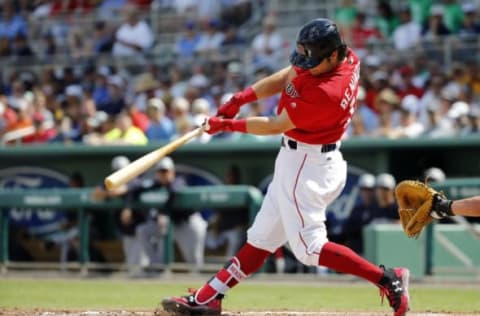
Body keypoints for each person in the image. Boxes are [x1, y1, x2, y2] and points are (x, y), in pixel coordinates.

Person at [161, 18, 410, 316]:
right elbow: (290, 74)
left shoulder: (326, 93)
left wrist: (226, 124)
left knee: (309, 248)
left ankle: (388, 278)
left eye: (313, 60)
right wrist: (241, 98)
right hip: (306, 159)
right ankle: (208, 297)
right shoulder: (345, 56)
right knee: (262, 238)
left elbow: (276, 125)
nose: (305, 65)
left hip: (307, 165)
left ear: (332, 55)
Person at [136, 157, 208, 271]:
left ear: (172, 172)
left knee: (193, 259)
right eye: (160, 171)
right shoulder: (156, 184)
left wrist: (163, 213)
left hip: (188, 222)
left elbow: (174, 191)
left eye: (165, 171)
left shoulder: (179, 180)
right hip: (171, 223)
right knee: (143, 230)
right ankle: (156, 267)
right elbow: (138, 189)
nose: (163, 174)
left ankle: (200, 283)